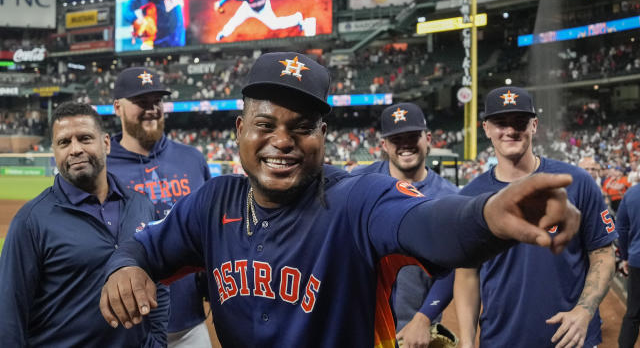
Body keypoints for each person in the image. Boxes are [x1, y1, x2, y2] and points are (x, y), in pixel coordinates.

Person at [99, 53, 581, 347]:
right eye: (266, 125)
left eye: (302, 127)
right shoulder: (214, 200)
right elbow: (145, 246)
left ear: (323, 136)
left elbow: (432, 224)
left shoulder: (359, 197)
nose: (282, 140)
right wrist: (124, 265)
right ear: (240, 131)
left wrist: (488, 215)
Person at [454, 86, 617, 348]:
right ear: (486, 128)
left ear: (534, 125)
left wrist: (584, 311)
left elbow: (603, 253)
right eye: (500, 122)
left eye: (519, 121)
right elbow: (466, 275)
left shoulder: (577, 181)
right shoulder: (469, 197)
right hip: (501, 339)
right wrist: (465, 341)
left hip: (572, 340)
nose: (510, 130)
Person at [0, 102, 168, 347]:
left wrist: (157, 341)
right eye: (64, 142)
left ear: (106, 143)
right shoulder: (30, 221)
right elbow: (9, 314)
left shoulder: (141, 205)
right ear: (55, 152)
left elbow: (159, 281)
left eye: (85, 138)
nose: (75, 149)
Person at [108, 67, 213, 347]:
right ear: (117, 106)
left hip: (190, 324)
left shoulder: (191, 159)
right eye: (142, 102)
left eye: (157, 101)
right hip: (127, 328)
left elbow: (210, 228)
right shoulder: (102, 167)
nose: (152, 110)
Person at [351, 102, 458, 347]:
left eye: (413, 136)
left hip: (411, 331)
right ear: (384, 145)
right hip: (359, 325)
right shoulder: (358, 182)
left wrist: (424, 317)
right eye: (396, 138)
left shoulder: (449, 197)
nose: (405, 144)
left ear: (428, 139)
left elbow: (452, 269)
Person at [214, 0, 314, 41]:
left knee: (274, 25)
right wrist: (220, 3)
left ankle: (298, 19)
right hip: (248, 9)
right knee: (235, 20)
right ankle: (223, 33)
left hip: (263, 9)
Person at [617, 183, 640, 347]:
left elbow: (621, 228)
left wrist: (625, 256)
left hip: (636, 259)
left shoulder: (631, 193)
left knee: (633, 313)